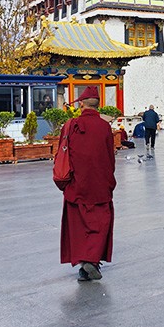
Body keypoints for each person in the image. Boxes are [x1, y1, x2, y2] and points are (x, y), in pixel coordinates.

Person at [57, 85, 117, 282]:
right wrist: (109, 181)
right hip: (100, 184)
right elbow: (110, 158)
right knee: (100, 224)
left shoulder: (71, 125)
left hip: (77, 185)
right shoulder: (105, 127)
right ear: (98, 105)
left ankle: (85, 264)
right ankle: (90, 263)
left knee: (78, 226)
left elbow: (61, 154)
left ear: (81, 104)